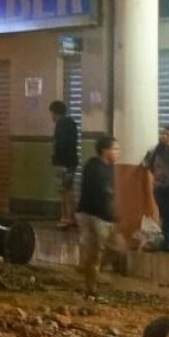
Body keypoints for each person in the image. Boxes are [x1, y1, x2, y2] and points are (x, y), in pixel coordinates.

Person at [78, 136, 121, 297]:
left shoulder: (109, 167)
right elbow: (104, 191)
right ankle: (91, 289)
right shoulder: (94, 167)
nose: (118, 152)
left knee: (117, 248)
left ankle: (89, 269)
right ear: (105, 150)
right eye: (115, 149)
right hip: (93, 216)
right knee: (96, 253)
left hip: (107, 217)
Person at [50, 101, 80, 229]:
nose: (51, 116)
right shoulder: (72, 124)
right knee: (70, 190)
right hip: (72, 162)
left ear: (55, 113)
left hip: (62, 163)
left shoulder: (60, 125)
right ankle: (72, 217)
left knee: (63, 192)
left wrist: (55, 159)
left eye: (51, 113)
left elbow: (60, 145)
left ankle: (65, 218)